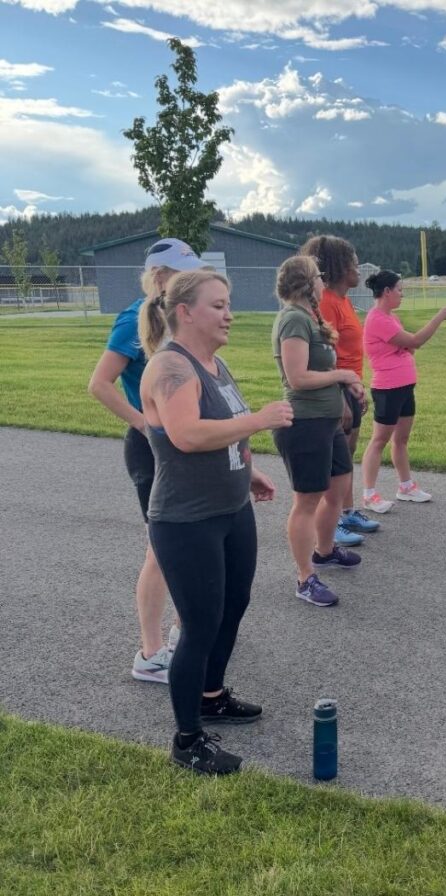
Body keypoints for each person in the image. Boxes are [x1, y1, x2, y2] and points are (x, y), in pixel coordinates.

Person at [138, 269, 292, 774]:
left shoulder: (214, 363)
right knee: (199, 624)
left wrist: (250, 471)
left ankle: (211, 695)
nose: (230, 314)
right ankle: (187, 740)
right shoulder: (170, 367)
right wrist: (261, 420)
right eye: (219, 305)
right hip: (187, 520)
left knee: (232, 607)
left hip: (230, 509)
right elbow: (186, 434)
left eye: (228, 304)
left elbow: (223, 430)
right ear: (185, 312)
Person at [87, 237, 205, 683]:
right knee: (161, 549)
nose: (190, 280)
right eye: (181, 273)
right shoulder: (131, 320)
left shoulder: (182, 317)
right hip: (152, 447)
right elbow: (99, 384)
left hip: (181, 443)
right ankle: (150, 654)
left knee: (187, 544)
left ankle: (181, 630)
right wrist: (143, 423)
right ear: (159, 277)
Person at [271, 255, 364, 608]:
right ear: (308, 283)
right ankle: (305, 576)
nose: (324, 281)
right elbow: (298, 378)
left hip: (326, 421)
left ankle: (324, 551)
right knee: (307, 501)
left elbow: (322, 369)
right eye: (319, 277)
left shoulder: (310, 317)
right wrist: (344, 376)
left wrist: (345, 393)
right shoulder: (293, 320)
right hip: (305, 425)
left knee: (339, 485)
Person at [298, 235, 381, 544]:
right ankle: (328, 523)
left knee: (346, 457)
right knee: (334, 461)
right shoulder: (327, 305)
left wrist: (357, 389)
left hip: (351, 387)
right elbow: (324, 357)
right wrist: (341, 399)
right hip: (336, 390)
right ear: (337, 266)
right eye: (353, 262)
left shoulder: (345, 301)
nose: (358, 268)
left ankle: (346, 513)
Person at [360, 271, 446, 511]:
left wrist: (406, 347)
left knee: (401, 439)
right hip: (387, 388)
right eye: (400, 290)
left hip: (404, 386)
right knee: (379, 440)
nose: (402, 294)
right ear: (387, 292)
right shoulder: (377, 319)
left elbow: (408, 346)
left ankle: (406, 487)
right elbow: (414, 342)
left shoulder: (391, 318)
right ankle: (369, 493)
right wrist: (439, 316)